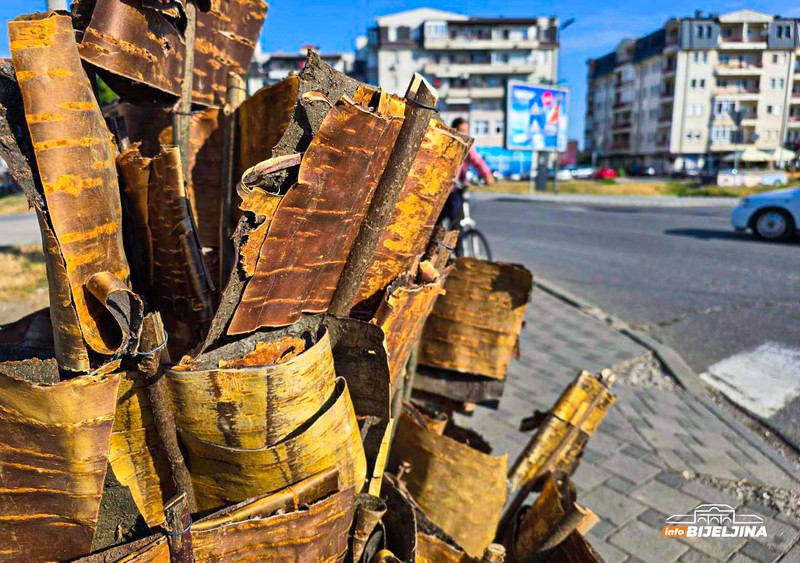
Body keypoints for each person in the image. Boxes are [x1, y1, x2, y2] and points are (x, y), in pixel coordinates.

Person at [438, 117, 494, 228]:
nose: (464, 134)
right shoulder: (449, 143)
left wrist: (486, 175)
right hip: (446, 189)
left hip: (455, 189)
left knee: (453, 219)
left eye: (466, 131)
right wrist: (486, 174)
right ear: (453, 129)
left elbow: (476, 160)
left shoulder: (464, 144)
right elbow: (476, 160)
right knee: (450, 219)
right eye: (461, 130)